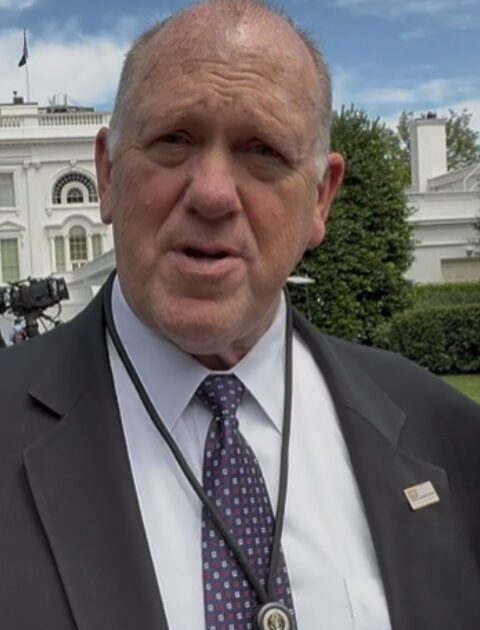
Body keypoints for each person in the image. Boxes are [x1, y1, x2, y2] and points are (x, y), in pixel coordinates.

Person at [1, 1, 480, 629]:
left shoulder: (448, 436)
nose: (212, 194)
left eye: (263, 151)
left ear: (321, 199)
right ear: (108, 173)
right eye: (174, 139)